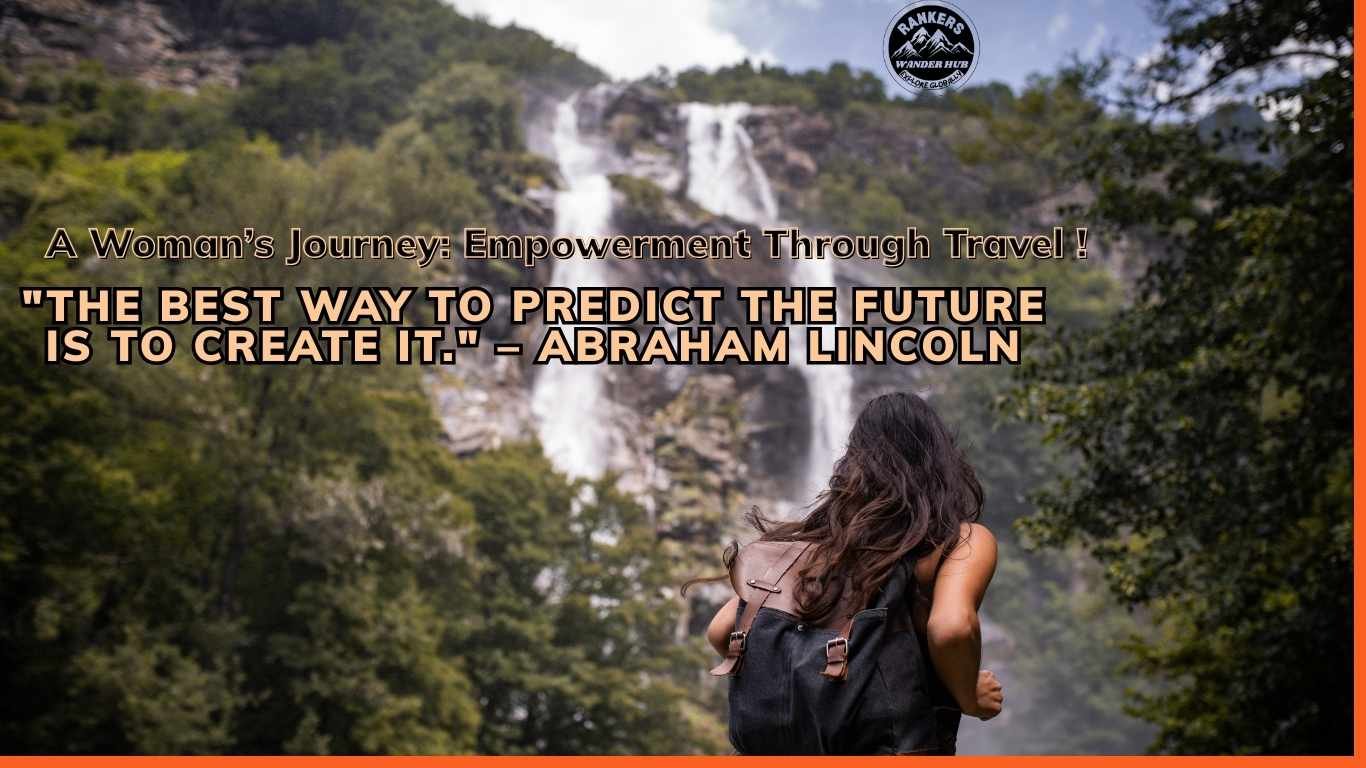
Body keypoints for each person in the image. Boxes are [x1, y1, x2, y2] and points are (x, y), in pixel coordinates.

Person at [694, 392, 1003, 754]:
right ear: (942, 462)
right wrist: (969, 695)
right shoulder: (959, 540)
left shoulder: (809, 547)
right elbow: (951, 628)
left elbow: (720, 632)